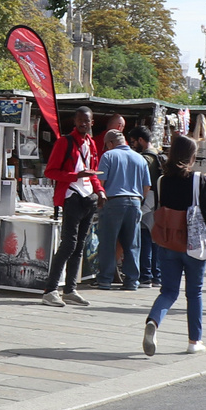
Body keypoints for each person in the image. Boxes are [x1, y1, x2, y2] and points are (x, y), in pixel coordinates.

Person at [142, 135, 206, 357]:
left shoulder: (161, 181)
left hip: (168, 243)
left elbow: (157, 209)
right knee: (194, 293)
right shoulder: (199, 180)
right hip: (194, 245)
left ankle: (153, 321)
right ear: (191, 156)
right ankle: (194, 341)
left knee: (168, 291)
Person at [40, 106, 103, 307]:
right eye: (80, 120)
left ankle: (70, 289)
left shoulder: (91, 143)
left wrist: (99, 191)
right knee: (68, 244)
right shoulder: (64, 142)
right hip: (72, 197)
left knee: (79, 245)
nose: (84, 124)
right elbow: (50, 171)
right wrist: (75, 176)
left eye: (87, 121)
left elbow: (93, 172)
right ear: (75, 121)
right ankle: (50, 290)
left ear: (92, 122)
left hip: (88, 198)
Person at [94, 129, 149, 292]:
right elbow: (147, 186)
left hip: (113, 202)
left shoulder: (108, 156)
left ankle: (105, 279)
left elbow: (101, 182)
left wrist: (99, 201)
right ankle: (132, 281)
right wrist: (139, 200)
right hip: (135, 202)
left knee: (108, 243)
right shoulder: (140, 158)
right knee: (132, 243)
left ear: (110, 143)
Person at [129, 126, 163, 286]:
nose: (133, 145)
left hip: (147, 204)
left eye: (134, 142)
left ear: (141, 140)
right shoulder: (160, 156)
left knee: (145, 240)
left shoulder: (145, 159)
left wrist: (140, 208)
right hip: (159, 205)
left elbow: (146, 187)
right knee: (156, 241)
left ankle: (146, 275)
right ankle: (157, 276)